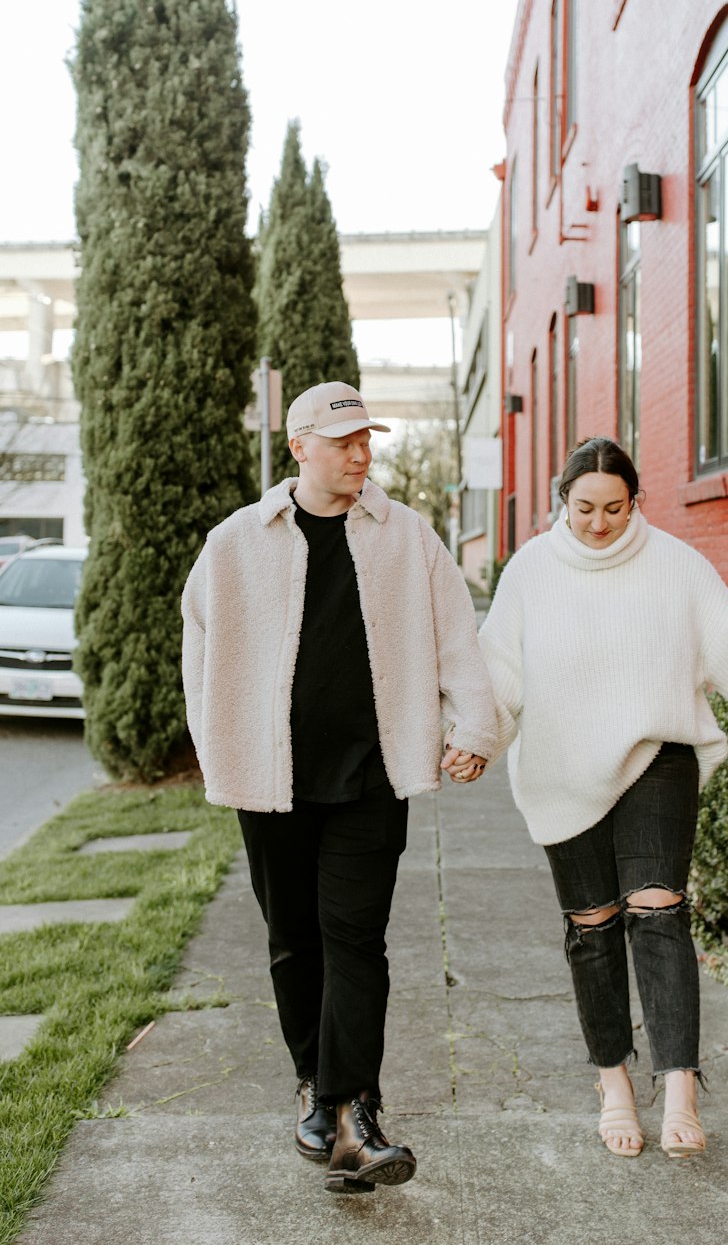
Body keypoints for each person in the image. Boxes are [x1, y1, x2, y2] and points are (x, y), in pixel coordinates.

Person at [468, 436, 728, 1161]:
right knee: (593, 930)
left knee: (658, 913)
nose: (599, 522)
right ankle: (614, 1085)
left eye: (615, 508)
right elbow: (498, 676)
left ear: (638, 501)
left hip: (660, 755)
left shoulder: (677, 568)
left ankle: (681, 1089)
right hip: (564, 768)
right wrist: (472, 741)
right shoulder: (530, 572)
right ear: (563, 502)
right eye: (585, 508)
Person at [181, 381, 497, 1194]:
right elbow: (201, 655)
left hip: (368, 773)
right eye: (344, 440)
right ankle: (313, 1087)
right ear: (299, 448)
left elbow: (456, 634)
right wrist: (217, 752)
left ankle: (354, 1113)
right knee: (295, 941)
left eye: (368, 440)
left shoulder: (406, 536)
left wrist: (473, 725)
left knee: (356, 941)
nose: (361, 454)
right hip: (270, 777)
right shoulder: (236, 542)